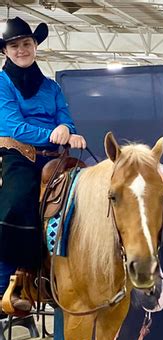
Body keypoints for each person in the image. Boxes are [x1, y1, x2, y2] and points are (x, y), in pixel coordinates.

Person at [0, 17, 86, 313]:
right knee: (15, 201)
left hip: (54, 157)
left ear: (35, 45)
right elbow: (13, 125)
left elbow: (66, 117)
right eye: (15, 45)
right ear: (6, 51)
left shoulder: (51, 87)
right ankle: (5, 286)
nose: (21, 49)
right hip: (19, 155)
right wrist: (52, 133)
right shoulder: (2, 83)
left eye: (26, 43)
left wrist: (67, 129)